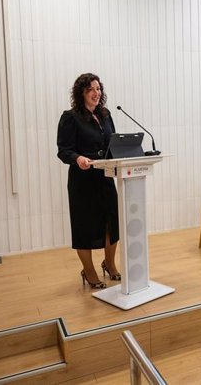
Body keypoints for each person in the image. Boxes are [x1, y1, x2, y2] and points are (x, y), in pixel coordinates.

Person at [57, 73, 120, 289]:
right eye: (91, 89)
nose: (96, 93)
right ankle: (90, 271)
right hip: (83, 181)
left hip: (105, 176)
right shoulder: (70, 117)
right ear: (81, 93)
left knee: (111, 224)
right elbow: (63, 151)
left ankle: (110, 264)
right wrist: (78, 158)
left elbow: (113, 142)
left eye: (98, 89)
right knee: (84, 227)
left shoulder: (105, 114)